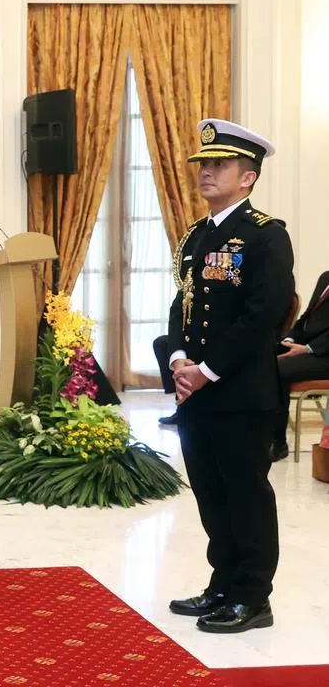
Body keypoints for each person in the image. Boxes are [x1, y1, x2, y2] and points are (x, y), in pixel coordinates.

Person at [166, 118, 294, 634]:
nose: (206, 173)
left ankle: (252, 597)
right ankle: (221, 583)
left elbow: (263, 315)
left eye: (220, 164)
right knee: (210, 493)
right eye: (203, 165)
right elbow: (184, 302)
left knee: (245, 495)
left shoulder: (265, 236)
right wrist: (178, 360)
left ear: (249, 177)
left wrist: (208, 371)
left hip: (240, 393)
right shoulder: (198, 235)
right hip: (195, 393)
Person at [273, 269, 329, 460]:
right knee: (258, 359)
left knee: (276, 370)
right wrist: (289, 338)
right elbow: (306, 318)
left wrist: (307, 349)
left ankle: (278, 441)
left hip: (323, 355)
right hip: (305, 347)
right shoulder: (326, 277)